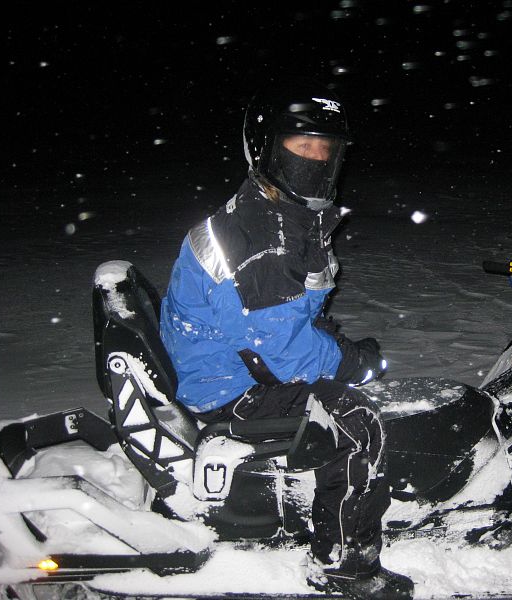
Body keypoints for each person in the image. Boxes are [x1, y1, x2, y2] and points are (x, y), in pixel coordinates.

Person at [159, 78, 413, 599]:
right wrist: (349, 362)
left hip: (234, 360)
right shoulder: (263, 237)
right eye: (302, 146)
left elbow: (290, 316)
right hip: (228, 384)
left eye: (327, 148)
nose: (316, 159)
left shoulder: (285, 213)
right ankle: (345, 565)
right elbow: (283, 354)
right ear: (267, 148)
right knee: (356, 424)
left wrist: (332, 343)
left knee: (349, 386)